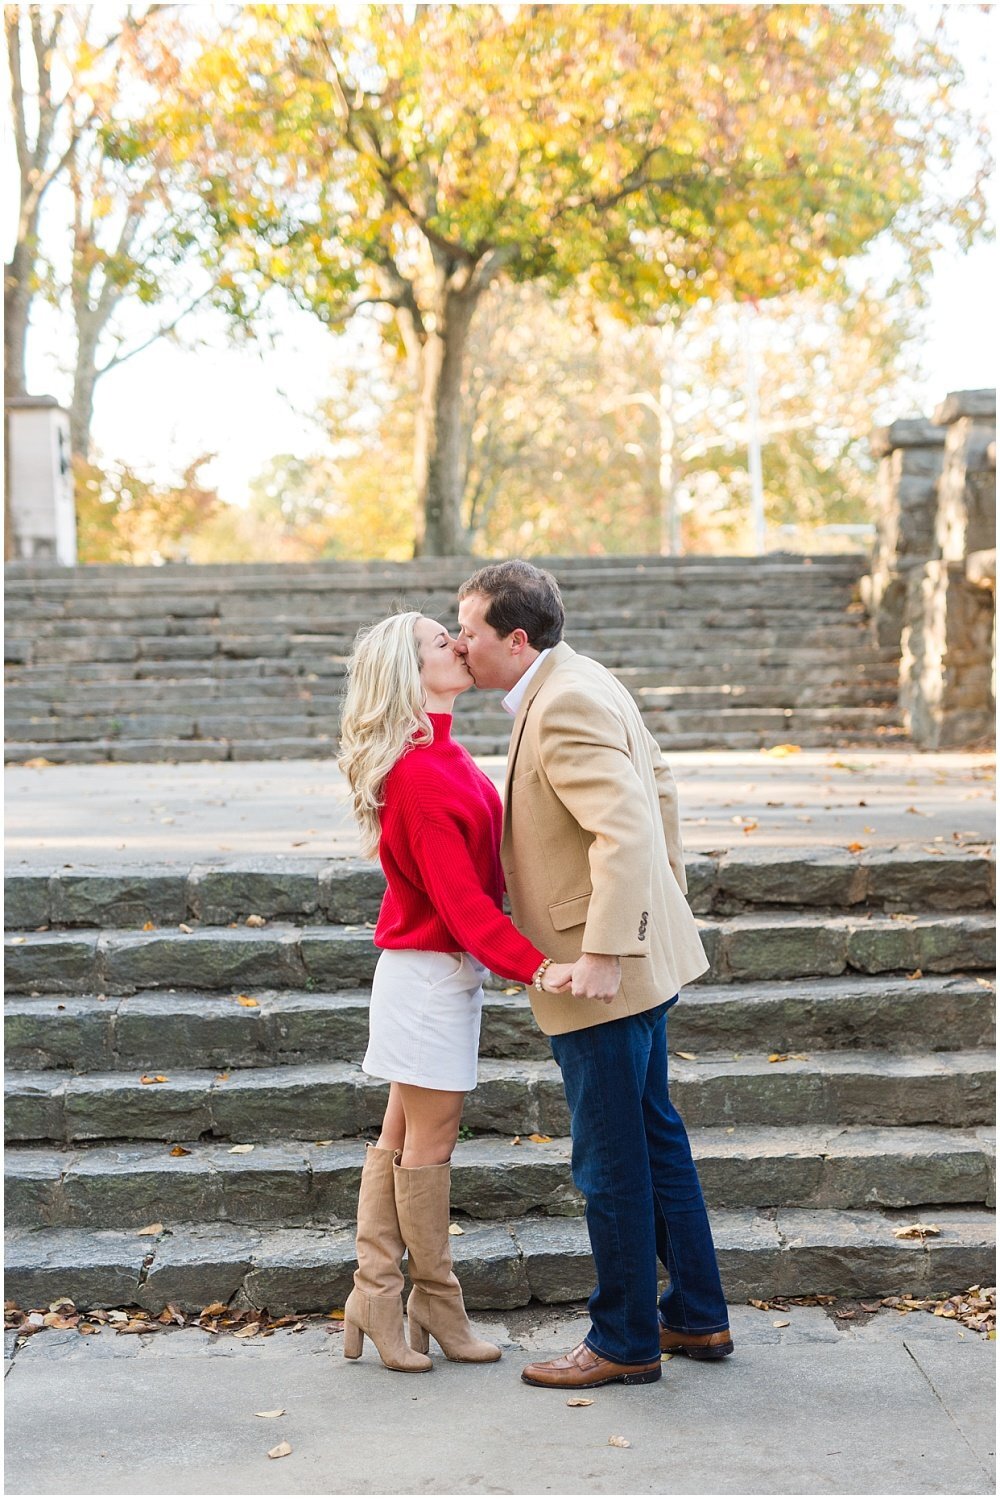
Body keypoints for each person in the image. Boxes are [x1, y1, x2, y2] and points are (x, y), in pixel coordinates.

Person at [456, 560, 732, 1391]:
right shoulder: (579, 677)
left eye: (468, 630)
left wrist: (610, 948)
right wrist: (663, 908)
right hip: (640, 958)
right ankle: (695, 1314)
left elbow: (625, 825)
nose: (460, 644)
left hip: (600, 973)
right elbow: (662, 793)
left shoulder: (565, 699)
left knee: (609, 1158)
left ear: (515, 637)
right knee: (654, 1138)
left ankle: (623, 1339)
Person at [337, 610, 574, 1375]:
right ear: (411, 671)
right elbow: (463, 905)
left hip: (436, 973)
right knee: (426, 1145)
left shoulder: (443, 753)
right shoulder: (417, 775)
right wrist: (535, 964)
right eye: (444, 640)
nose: (461, 644)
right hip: (428, 975)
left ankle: (378, 1294)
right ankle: (432, 1297)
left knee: (400, 1138)